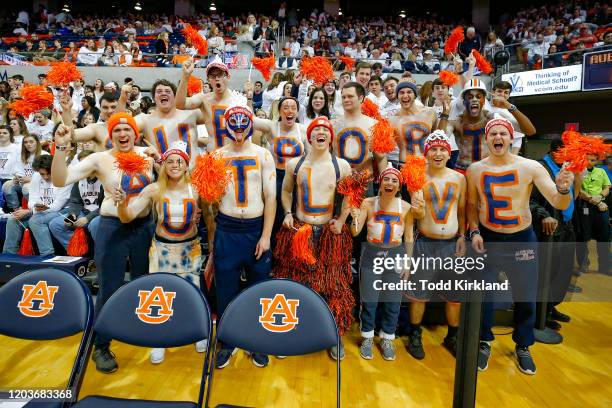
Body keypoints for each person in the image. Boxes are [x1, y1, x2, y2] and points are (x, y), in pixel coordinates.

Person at [466, 118, 574, 375]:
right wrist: (473, 231)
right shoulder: (475, 169)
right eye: (493, 134)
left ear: (511, 138)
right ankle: (484, 341)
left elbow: (558, 203)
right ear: (487, 138)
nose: (498, 137)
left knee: (525, 296)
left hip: (521, 239)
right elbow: (471, 205)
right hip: (489, 238)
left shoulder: (531, 166)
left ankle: (523, 345)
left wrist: (564, 188)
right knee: (485, 296)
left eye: (503, 133)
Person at [52, 112, 156, 374]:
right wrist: (61, 148)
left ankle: (134, 328)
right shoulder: (100, 159)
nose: (123, 134)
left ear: (135, 133)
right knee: (109, 286)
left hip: (143, 227)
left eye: (127, 129)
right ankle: (101, 345)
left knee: (142, 282)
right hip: (112, 227)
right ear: (110, 134)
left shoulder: (148, 155)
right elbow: (59, 180)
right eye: (117, 130)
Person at [116, 141, 211, 364]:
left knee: (194, 293)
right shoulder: (153, 189)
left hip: (190, 248)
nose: (175, 165)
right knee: (160, 295)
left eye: (180, 161)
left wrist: (213, 246)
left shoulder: (196, 188)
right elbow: (127, 216)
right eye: (170, 161)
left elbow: (210, 218)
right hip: (162, 249)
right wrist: (121, 203)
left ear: (187, 165)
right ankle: (159, 338)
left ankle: (198, 331)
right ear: (164, 164)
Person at [274, 117, 353, 360]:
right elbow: (286, 190)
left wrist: (341, 220)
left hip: (330, 233)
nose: (320, 133)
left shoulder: (342, 166)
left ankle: (333, 334)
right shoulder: (294, 164)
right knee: (297, 282)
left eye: (325, 130)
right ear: (309, 136)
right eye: (316, 130)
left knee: (333, 284)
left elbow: (350, 195)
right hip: (300, 232)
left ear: (331, 137)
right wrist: (287, 213)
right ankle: (291, 331)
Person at [213, 106, 276, 369]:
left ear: (250, 125)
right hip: (227, 228)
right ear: (227, 126)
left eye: (243, 125)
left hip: (255, 229)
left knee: (258, 288)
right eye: (234, 125)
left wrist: (266, 236)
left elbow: (271, 196)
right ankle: (228, 341)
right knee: (225, 288)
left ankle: (257, 340)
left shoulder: (263, 154)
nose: (238, 130)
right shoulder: (216, 156)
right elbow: (211, 199)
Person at [404, 131, 466, 359]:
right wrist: (417, 207)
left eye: (442, 149)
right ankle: (415, 333)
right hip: (425, 242)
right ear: (426, 153)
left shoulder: (459, 178)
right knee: (419, 294)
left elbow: (461, 210)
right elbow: (415, 212)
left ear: (448, 153)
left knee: (454, 295)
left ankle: (453, 335)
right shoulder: (417, 176)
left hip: (451, 243)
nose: (438, 153)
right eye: (433, 149)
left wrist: (462, 236)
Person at [350, 163, 415, 361]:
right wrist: (353, 218)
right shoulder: (368, 203)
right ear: (380, 182)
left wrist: (408, 263)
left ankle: (387, 338)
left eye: (394, 180)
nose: (390, 183)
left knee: (393, 301)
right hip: (371, 254)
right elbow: (355, 232)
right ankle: (368, 337)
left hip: (395, 255)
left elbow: (409, 238)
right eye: (386, 179)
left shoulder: (406, 207)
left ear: (399, 185)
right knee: (369, 300)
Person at [530, 139, 582, 332]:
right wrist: (544, 216)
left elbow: (573, 196)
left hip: (567, 226)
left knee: (563, 271)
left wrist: (578, 174)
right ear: (554, 152)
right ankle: (539, 313)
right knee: (546, 273)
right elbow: (530, 200)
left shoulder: (568, 168)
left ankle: (550, 308)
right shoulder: (540, 167)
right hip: (548, 230)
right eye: (565, 152)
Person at [118, 79, 206, 163]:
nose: (163, 93)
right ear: (154, 98)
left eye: (168, 91)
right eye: (159, 91)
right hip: (164, 175)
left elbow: (215, 118)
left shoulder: (192, 114)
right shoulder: (145, 120)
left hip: (195, 175)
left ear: (175, 96)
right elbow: (118, 125)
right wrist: (122, 99)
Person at [3, 154, 71, 255]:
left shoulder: (64, 177)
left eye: (49, 173)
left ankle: (47, 255)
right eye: (43, 174)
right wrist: (33, 209)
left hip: (62, 210)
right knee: (14, 218)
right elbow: (32, 200)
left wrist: (31, 211)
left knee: (35, 220)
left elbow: (57, 206)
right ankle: (9, 255)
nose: (46, 177)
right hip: (41, 211)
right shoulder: (36, 176)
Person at [176, 58, 249, 152]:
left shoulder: (238, 99)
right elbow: (179, 105)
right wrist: (185, 77)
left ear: (228, 77)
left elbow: (250, 130)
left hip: (235, 157)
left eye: (220, 75)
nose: (217, 78)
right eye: (213, 76)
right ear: (208, 80)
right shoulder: (204, 99)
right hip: (213, 158)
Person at [49, 149, 102, 252]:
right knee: (55, 224)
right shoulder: (79, 179)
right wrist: (72, 215)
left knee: (94, 224)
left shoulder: (105, 178)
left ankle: (101, 255)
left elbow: (107, 205)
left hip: (101, 214)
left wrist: (88, 218)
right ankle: (78, 251)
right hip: (84, 211)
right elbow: (75, 201)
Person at [332, 82, 386, 178]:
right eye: (343, 97)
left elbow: (381, 158)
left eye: (350, 96)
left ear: (361, 98)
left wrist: (383, 182)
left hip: (365, 180)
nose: (346, 100)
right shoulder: (333, 124)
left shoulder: (375, 125)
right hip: (338, 179)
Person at [442, 79, 494, 172]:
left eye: (478, 97)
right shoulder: (456, 122)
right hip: (462, 171)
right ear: (464, 101)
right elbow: (439, 138)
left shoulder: (492, 119)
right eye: (470, 97)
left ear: (484, 101)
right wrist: (445, 113)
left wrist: (510, 108)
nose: (474, 99)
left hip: (486, 170)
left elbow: (528, 131)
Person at [575, 153, 610, 275]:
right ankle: (583, 264)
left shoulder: (601, 171)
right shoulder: (578, 171)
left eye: (593, 160)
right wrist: (595, 201)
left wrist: (600, 197)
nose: (590, 162)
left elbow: (607, 187)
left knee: (604, 237)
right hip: (584, 206)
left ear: (597, 161)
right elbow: (579, 191)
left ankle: (605, 266)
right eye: (588, 159)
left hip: (601, 206)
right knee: (583, 237)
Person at [389, 81, 438, 161]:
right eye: (401, 93)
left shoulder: (430, 113)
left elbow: (437, 136)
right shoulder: (392, 120)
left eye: (409, 92)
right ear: (397, 96)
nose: (405, 96)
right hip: (406, 165)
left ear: (415, 95)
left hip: (428, 164)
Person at [489, 81, 536, 154]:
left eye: (506, 92)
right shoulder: (484, 106)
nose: (502, 95)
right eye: (499, 91)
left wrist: (514, 158)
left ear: (508, 96)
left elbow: (521, 137)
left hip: (500, 155)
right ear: (493, 92)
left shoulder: (511, 113)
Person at [3, 134, 48, 212]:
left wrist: (31, 179)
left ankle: (34, 210)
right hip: (24, 182)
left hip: (40, 184)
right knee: (7, 185)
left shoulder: (44, 155)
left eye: (31, 142)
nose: (28, 144)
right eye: (26, 142)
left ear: (37, 143)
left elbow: (49, 175)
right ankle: (16, 210)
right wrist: (17, 178)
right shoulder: (22, 156)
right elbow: (18, 171)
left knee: (26, 188)